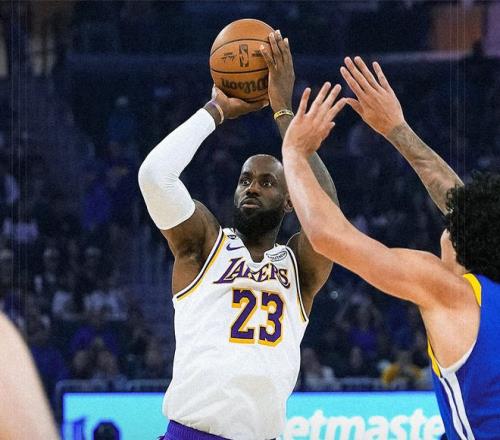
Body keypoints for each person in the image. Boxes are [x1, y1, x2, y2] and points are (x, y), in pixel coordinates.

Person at [138, 31, 344, 440]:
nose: (252, 187)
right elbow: (155, 177)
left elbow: (330, 219)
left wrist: (284, 112)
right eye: (245, 180)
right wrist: (215, 110)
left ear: (291, 201)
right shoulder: (204, 245)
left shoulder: (300, 267)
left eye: (267, 182)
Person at [281, 57, 500, 439]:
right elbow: (468, 208)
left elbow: (328, 236)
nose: (446, 223)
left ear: (460, 242)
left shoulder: (452, 293)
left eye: (450, 225)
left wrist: (294, 153)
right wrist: (397, 130)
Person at [0, 312, 59, 439]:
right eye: (35, 330)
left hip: (46, 399)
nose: (39, 334)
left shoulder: (53, 355)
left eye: (41, 330)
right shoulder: (12, 348)